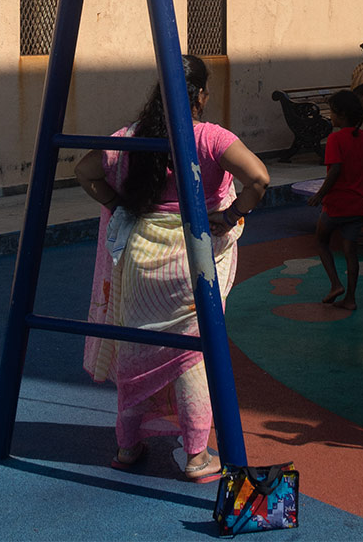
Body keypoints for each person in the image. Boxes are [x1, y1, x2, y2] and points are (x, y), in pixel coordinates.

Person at [75, 55, 270, 483]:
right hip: (193, 261)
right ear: (200, 96)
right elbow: (259, 178)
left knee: (135, 350)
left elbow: (84, 171)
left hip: (140, 260)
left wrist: (118, 205)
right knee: (191, 356)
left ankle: (127, 446)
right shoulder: (210, 138)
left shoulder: (130, 137)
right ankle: (196, 455)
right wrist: (231, 214)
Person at [307, 89, 363, 313]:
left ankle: (335, 284)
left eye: (332, 112)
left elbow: (335, 170)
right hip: (357, 205)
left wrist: (320, 194)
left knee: (321, 241)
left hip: (336, 203)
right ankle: (350, 298)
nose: (330, 116)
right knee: (351, 252)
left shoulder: (335, 138)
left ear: (341, 115)